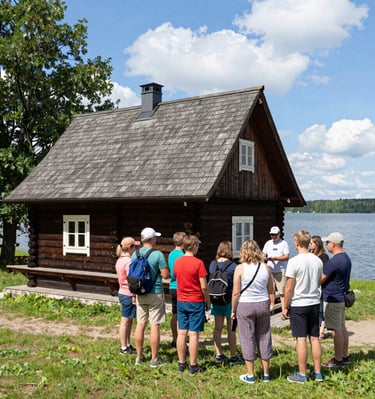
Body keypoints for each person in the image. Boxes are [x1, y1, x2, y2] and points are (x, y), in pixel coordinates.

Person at [282, 231, 323, 384]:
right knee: (315, 338)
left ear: (297, 243)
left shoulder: (294, 261)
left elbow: (288, 287)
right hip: (314, 302)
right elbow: (318, 280)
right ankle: (318, 372)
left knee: (300, 338)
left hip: (299, 303)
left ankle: (302, 374)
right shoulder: (317, 261)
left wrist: (285, 306)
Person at [231, 240, 275, 384]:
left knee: (247, 338)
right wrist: (272, 303)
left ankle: (250, 375)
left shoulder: (240, 268)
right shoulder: (266, 268)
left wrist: (233, 310)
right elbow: (271, 290)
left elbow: (236, 293)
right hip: (262, 304)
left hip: (245, 305)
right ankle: (266, 374)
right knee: (264, 337)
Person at [133, 227, 170, 367]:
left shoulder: (135, 254)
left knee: (141, 323)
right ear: (152, 239)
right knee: (155, 325)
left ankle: (139, 356)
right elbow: (165, 274)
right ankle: (155, 359)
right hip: (155, 291)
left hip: (140, 292)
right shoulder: (157, 254)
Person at [174, 234, 209, 375]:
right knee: (193, 334)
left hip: (181, 300)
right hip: (195, 301)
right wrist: (208, 300)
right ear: (194, 246)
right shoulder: (198, 263)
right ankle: (193, 366)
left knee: (181, 333)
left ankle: (181, 363)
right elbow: (204, 286)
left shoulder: (177, 262)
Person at [208, 240, 243, 365]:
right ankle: (233, 356)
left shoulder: (212, 264)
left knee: (217, 328)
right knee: (231, 329)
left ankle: (218, 354)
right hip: (229, 301)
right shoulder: (233, 266)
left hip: (216, 300)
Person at [320, 232, 352, 368]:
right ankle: (344, 356)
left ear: (333, 244)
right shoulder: (346, 258)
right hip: (340, 296)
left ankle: (338, 359)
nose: (326, 244)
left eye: (327, 242)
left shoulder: (335, 260)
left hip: (332, 297)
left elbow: (321, 278)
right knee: (342, 327)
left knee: (335, 330)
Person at [115, 236, 140, 355]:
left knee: (129, 320)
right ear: (130, 248)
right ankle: (123, 347)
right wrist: (135, 295)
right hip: (128, 293)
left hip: (122, 291)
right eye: (134, 246)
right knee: (125, 320)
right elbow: (132, 280)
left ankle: (128, 344)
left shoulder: (120, 259)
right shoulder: (128, 261)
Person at [262, 226, 289, 311]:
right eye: (272, 235)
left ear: (279, 234)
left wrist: (275, 258)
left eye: (275, 235)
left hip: (280, 270)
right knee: (271, 290)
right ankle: (271, 307)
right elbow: (263, 254)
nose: (273, 236)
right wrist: (264, 258)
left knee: (282, 292)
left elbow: (286, 256)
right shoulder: (268, 243)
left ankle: (284, 309)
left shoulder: (284, 243)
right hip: (270, 270)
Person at [168, 231, 186, 348]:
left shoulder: (171, 254)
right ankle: (182, 339)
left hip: (172, 286)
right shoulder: (182, 256)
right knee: (182, 315)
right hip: (181, 287)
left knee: (175, 314)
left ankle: (175, 339)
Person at [310, 235, 329, 339]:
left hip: (320, 285)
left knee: (321, 309)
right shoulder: (310, 254)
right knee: (315, 308)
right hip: (312, 285)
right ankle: (314, 327)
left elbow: (325, 272)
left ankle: (321, 330)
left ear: (317, 244)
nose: (310, 245)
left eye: (311, 243)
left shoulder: (324, 257)